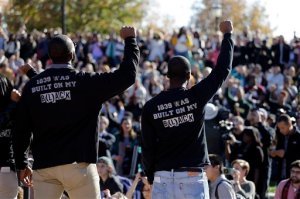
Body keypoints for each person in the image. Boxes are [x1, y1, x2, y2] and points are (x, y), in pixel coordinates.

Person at [12, 26, 139, 199]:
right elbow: (127, 76)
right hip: (78, 167)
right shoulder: (86, 82)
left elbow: (21, 128)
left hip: (44, 168)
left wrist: (22, 163)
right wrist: (130, 40)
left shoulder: (32, 87)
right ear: (72, 56)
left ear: (50, 58)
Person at [141, 20, 234, 199]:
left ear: (167, 76)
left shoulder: (151, 107)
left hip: (163, 176)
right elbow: (222, 70)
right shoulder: (196, 96)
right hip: (192, 177)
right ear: (189, 75)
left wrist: (151, 176)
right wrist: (227, 36)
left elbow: (147, 146)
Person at [0, 64, 36, 199]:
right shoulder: (13, 109)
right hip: (6, 172)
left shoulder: (14, 111)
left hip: (7, 170)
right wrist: (15, 105)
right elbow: (24, 139)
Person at [270, 114, 300, 182]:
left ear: (289, 125)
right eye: (279, 128)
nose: (280, 130)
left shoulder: (298, 137)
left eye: (283, 128)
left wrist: (285, 154)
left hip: (295, 176)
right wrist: (274, 154)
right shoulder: (280, 136)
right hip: (281, 174)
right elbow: (277, 152)